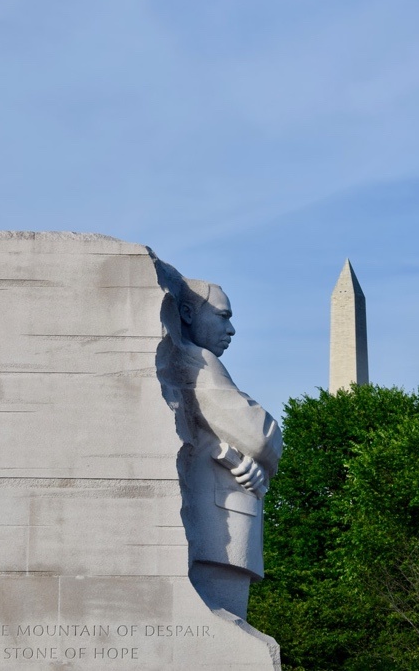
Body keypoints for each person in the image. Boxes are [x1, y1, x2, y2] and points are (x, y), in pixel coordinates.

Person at [152, 257, 282, 621]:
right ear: (189, 314)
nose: (232, 329)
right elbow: (259, 436)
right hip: (218, 527)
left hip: (221, 519)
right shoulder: (198, 362)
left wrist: (253, 464)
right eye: (223, 316)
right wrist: (263, 451)